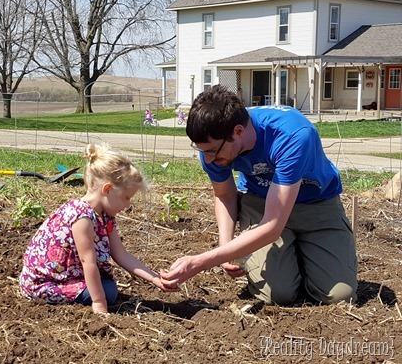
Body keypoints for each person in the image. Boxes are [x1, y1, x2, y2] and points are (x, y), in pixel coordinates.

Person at [160, 85, 357, 305]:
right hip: (261, 202)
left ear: (238, 132)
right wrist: (225, 248)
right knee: (278, 295)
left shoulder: (292, 135)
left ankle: (305, 255)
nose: (207, 160)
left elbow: (272, 226)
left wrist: (201, 262)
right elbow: (225, 195)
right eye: (201, 150)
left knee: (340, 296)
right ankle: (291, 263)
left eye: (212, 151)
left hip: (316, 205)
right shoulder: (212, 147)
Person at [19, 143, 167, 315]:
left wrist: (154, 278)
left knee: (108, 288)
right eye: (126, 198)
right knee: (109, 292)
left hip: (66, 276)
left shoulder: (105, 216)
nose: (128, 205)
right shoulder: (82, 218)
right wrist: (99, 302)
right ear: (108, 189)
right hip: (44, 284)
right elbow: (87, 263)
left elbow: (121, 254)